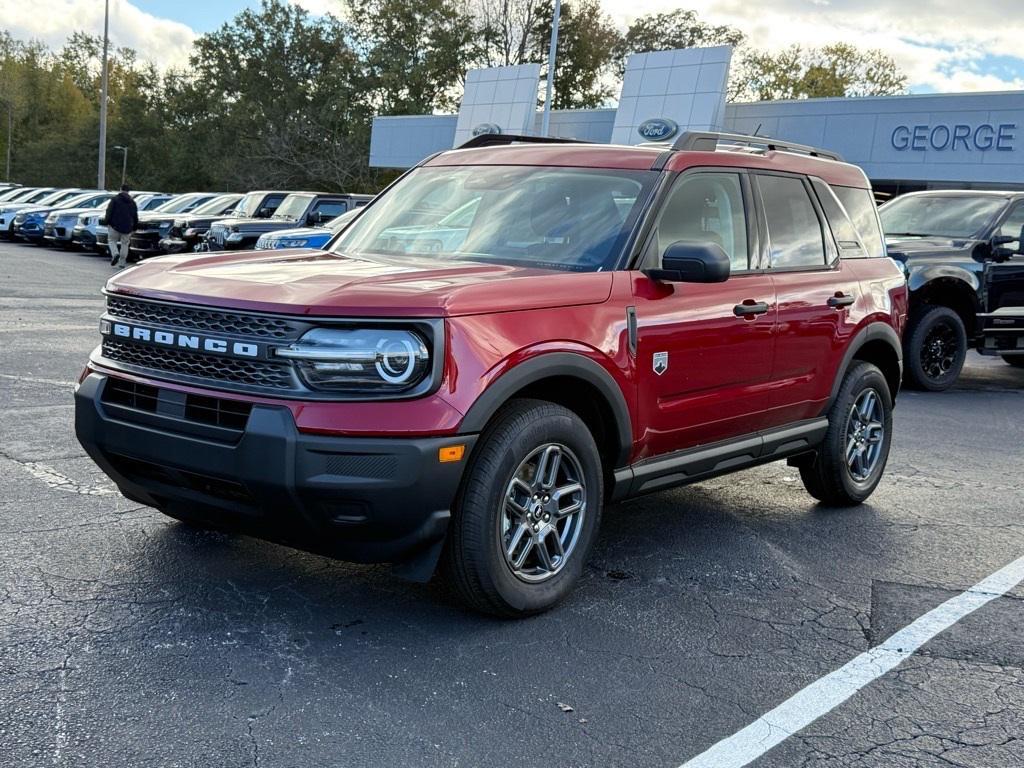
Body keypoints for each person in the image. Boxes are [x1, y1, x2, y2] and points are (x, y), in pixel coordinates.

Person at [104, 185, 138, 269]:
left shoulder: (115, 200)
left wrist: (106, 222)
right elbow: (135, 216)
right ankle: (122, 262)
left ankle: (115, 254)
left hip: (114, 226)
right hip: (127, 227)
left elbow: (109, 211)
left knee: (111, 240)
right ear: (128, 191)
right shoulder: (132, 202)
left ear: (120, 190)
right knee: (125, 244)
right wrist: (134, 227)